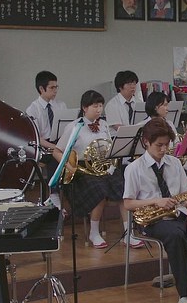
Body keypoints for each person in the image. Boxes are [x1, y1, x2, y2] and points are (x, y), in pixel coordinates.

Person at [123, 119, 187, 303]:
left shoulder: (174, 163)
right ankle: (184, 293)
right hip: (151, 220)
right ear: (146, 142)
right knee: (176, 235)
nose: (164, 149)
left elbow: (186, 195)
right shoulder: (134, 168)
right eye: (159, 145)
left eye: (167, 145)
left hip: (178, 214)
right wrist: (156, 201)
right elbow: (128, 203)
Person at [53, 91, 136, 249]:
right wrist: (70, 167)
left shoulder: (103, 124)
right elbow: (57, 151)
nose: (99, 109)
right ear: (84, 108)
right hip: (82, 170)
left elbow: (109, 147)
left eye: (100, 106)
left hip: (103, 167)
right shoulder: (74, 126)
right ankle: (94, 232)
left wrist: (111, 165)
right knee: (100, 190)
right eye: (95, 106)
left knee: (125, 188)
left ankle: (128, 233)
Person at [25, 71, 67, 208]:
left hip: (59, 141)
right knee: (54, 156)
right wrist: (55, 147)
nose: (55, 91)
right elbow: (37, 137)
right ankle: (54, 193)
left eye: (56, 87)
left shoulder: (61, 105)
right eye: (52, 88)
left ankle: (71, 193)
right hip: (43, 145)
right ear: (42, 89)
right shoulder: (32, 109)